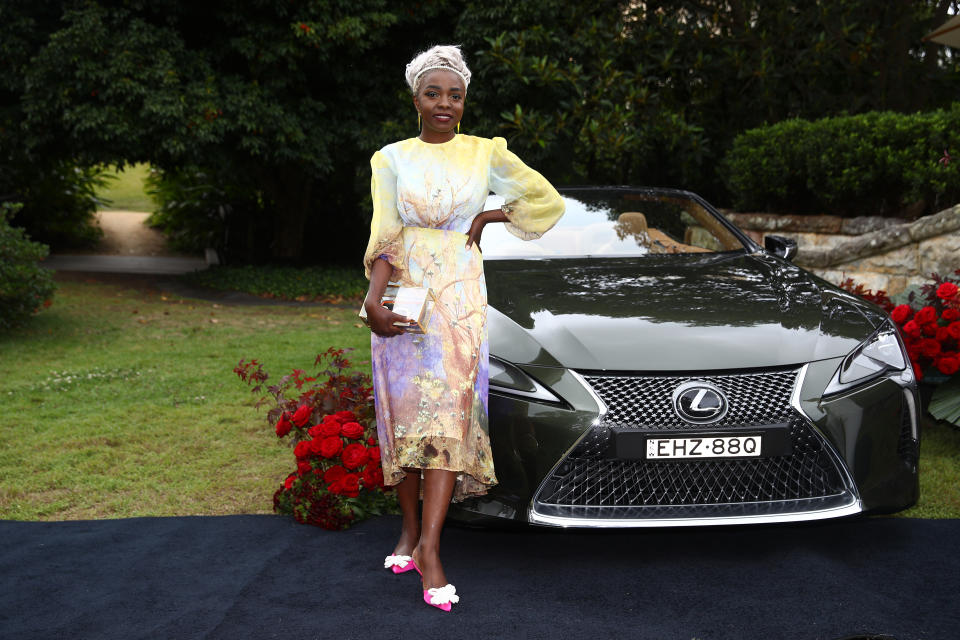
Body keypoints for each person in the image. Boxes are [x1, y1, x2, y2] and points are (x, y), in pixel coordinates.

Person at [362, 44, 564, 612]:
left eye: (454, 94)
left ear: (465, 98)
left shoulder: (485, 154)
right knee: (404, 417)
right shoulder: (391, 158)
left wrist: (491, 214)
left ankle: (430, 547)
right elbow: (385, 234)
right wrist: (373, 303)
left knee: (449, 414)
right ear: (416, 99)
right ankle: (407, 531)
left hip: (460, 295)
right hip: (404, 290)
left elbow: (545, 200)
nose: (444, 103)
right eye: (433, 93)